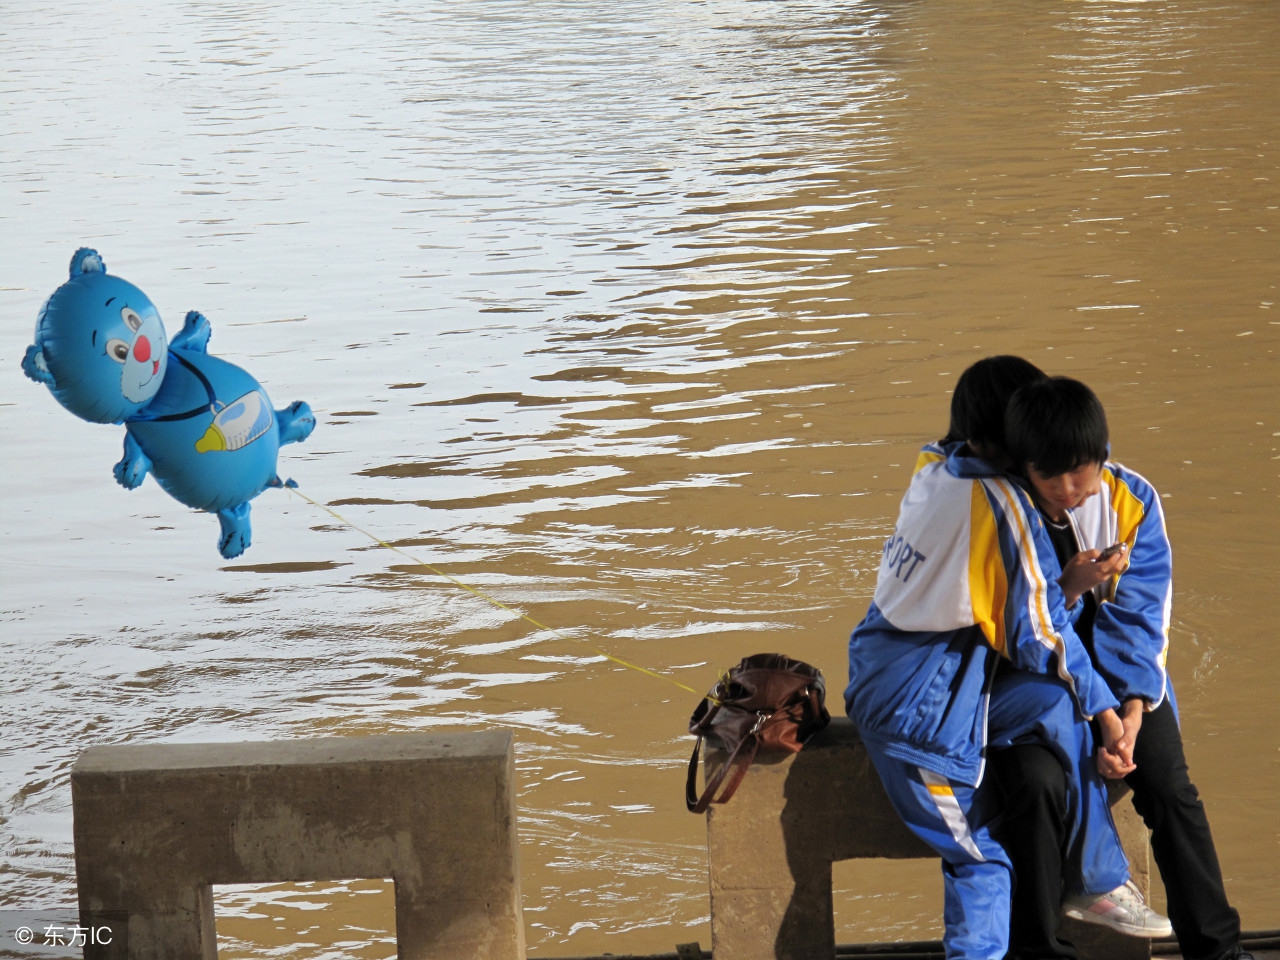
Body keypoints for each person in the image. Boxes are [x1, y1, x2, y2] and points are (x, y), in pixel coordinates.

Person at [845, 357, 1169, 960]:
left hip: (931, 675)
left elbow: (1023, 622)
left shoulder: (933, 465)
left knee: (1053, 702)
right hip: (920, 715)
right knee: (981, 858)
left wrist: (1069, 595)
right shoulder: (1001, 502)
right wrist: (1108, 713)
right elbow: (1039, 635)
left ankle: (1096, 882)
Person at [996, 376, 1251, 960]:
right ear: (1023, 469)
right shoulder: (1005, 512)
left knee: (1168, 785)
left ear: (1103, 457)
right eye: (1048, 475)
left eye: (1080, 473)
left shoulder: (1132, 501)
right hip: (1037, 681)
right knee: (1036, 786)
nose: (1066, 489)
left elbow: (1142, 617)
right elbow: (1021, 628)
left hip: (1118, 680)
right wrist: (1068, 587)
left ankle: (1218, 949)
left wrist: (1130, 712)